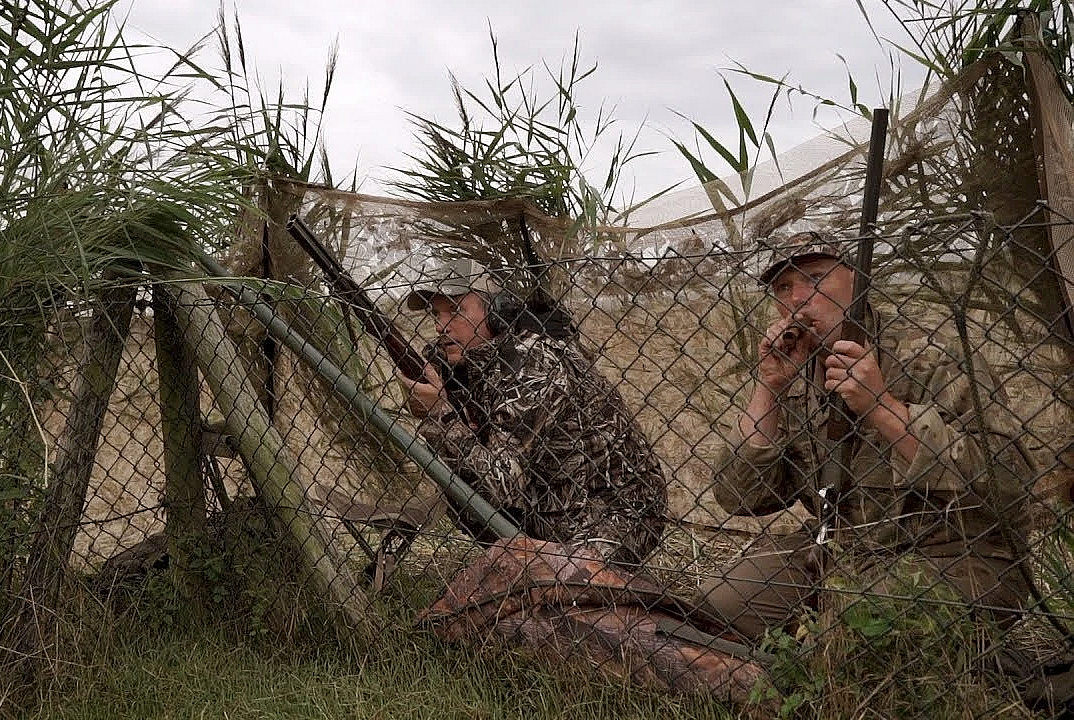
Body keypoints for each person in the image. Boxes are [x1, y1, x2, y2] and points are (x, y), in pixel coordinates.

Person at [692, 231, 1033, 642]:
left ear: (857, 281)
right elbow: (741, 497)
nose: (798, 298)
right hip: (842, 548)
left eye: (816, 278)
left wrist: (881, 408)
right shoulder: (797, 367)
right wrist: (770, 388)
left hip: (955, 553)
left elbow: (1010, 483)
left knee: (858, 628)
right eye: (784, 287)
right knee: (719, 605)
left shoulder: (929, 352)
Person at [402, 258, 666, 567]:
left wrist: (441, 416)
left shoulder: (533, 364)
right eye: (436, 313)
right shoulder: (470, 365)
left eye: (456, 311)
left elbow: (500, 484)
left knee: (565, 594)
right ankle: (527, 568)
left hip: (614, 511)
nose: (441, 325)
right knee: (460, 493)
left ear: (495, 311)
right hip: (549, 507)